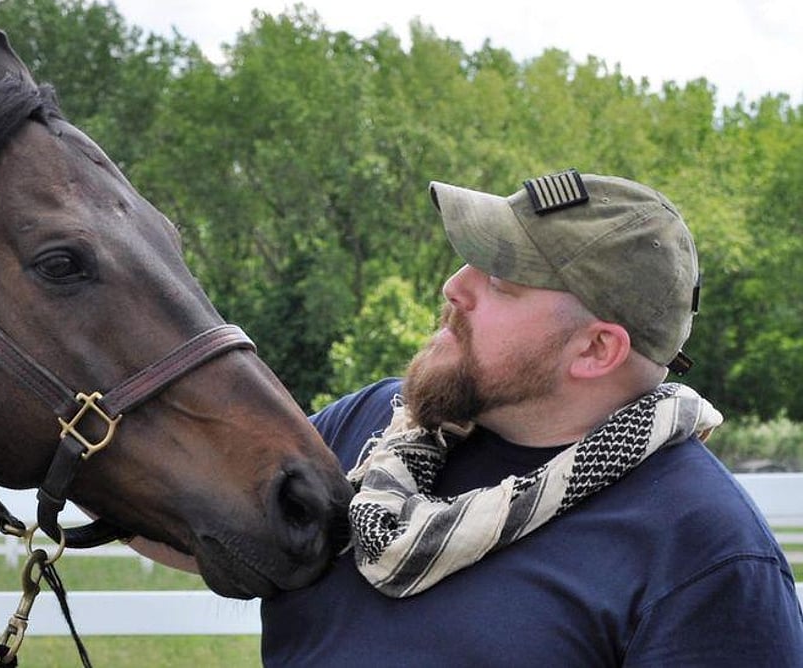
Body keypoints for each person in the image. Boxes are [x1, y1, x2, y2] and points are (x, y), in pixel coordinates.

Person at [257, 169, 803, 666]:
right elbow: (190, 520)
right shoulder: (378, 424)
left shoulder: (706, 557)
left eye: (500, 281)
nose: (454, 286)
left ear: (594, 350)